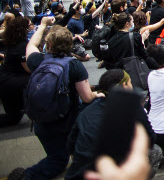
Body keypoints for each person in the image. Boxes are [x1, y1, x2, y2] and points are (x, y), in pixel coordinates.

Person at [8, 17, 103, 179]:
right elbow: (86, 97)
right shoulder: (74, 65)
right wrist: (97, 94)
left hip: (41, 121)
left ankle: (24, 176)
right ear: (69, 45)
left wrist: (43, 24)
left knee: (56, 157)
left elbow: (31, 45)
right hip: (66, 121)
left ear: (48, 45)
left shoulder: (38, 61)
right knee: (67, 155)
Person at [65, 69, 160, 180]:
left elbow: (71, 143)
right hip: (112, 172)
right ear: (124, 85)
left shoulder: (87, 111)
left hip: (77, 174)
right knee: (156, 151)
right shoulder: (133, 108)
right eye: (130, 82)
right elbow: (151, 138)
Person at [0, 16, 32, 127]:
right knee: (13, 118)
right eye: (30, 26)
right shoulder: (22, 45)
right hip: (9, 83)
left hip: (7, 80)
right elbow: (28, 69)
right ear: (24, 29)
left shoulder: (13, 41)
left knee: (16, 115)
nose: (32, 27)